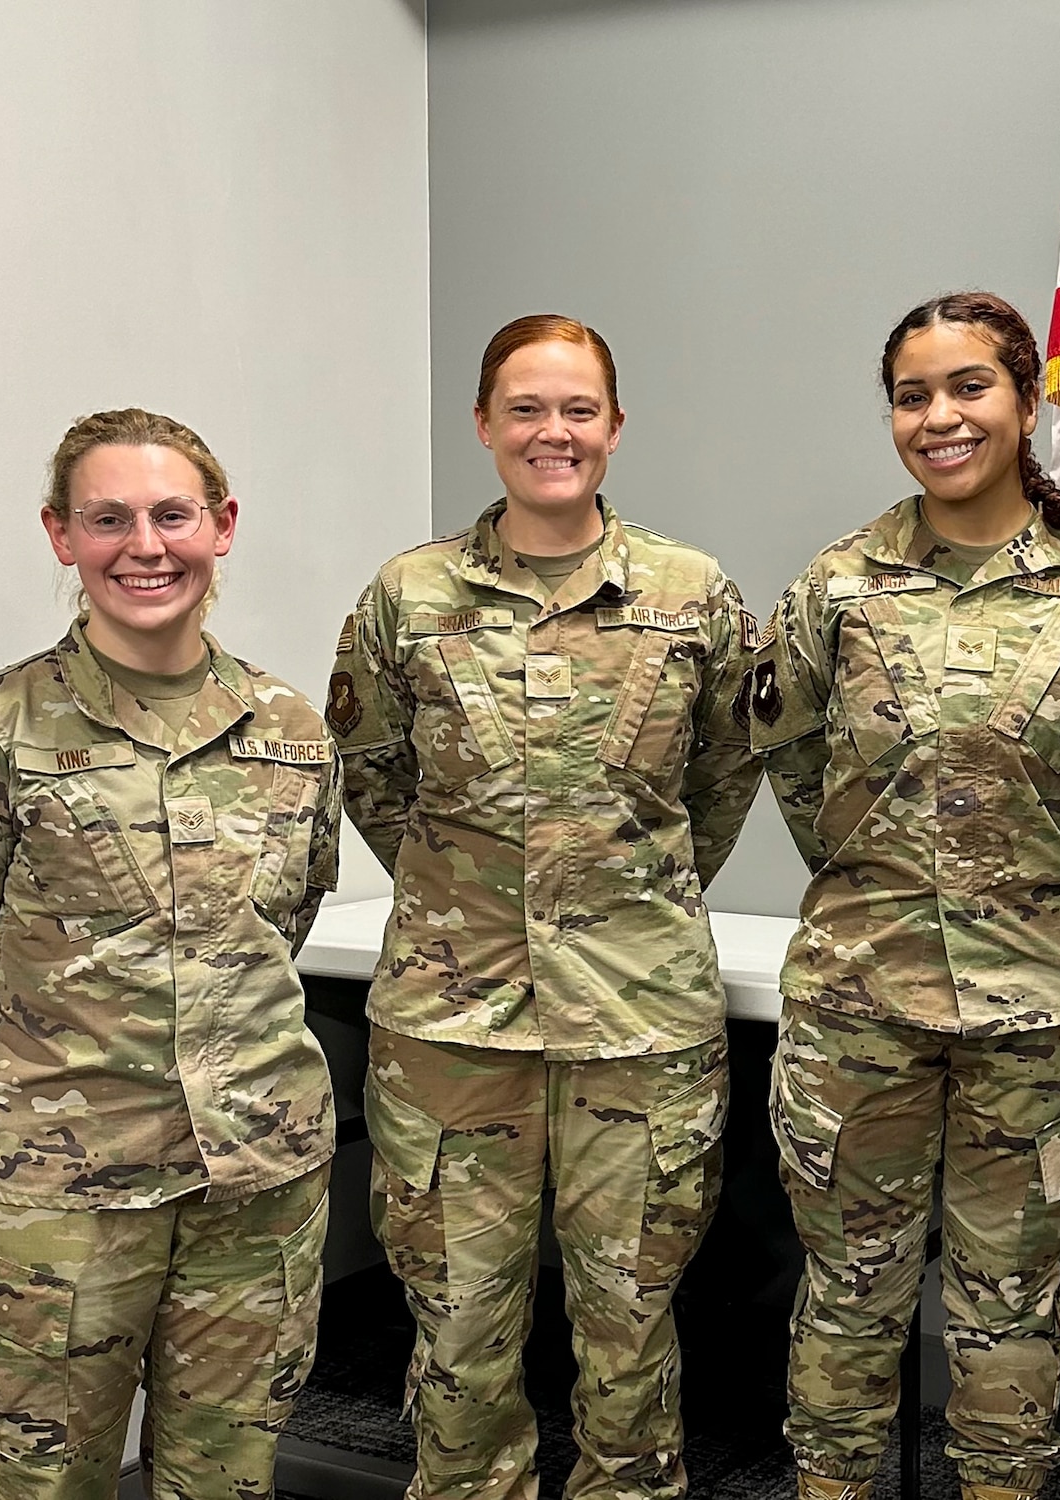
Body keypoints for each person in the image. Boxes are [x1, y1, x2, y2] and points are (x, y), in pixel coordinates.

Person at [750, 292, 1060, 1500]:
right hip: (858, 1008)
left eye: (967, 388)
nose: (938, 417)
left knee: (1007, 1316)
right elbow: (788, 759)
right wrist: (877, 879)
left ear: (1029, 402)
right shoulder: (834, 589)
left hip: (1035, 1017)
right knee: (845, 1300)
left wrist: (1018, 884)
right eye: (910, 395)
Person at [329, 315, 761, 1500]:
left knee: (630, 1341)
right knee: (458, 1345)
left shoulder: (692, 593)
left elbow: (722, 779)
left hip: (639, 1028)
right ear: (482, 425)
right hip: (451, 1033)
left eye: (576, 409)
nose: (550, 432)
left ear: (614, 430)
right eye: (524, 408)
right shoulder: (406, 597)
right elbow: (372, 776)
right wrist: (475, 901)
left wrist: (624, 899)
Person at [0, 408, 341, 1498]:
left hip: (254, 1182)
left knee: (227, 1479)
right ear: (60, 536)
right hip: (57, 1199)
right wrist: (36, 1119)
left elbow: (285, 922)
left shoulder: (288, 726)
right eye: (109, 518)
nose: (146, 545)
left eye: (173, 515)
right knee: (51, 1483)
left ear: (221, 527)